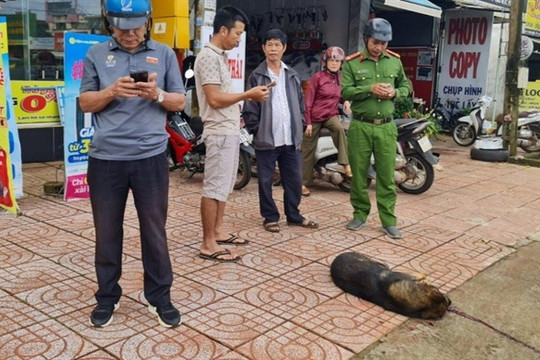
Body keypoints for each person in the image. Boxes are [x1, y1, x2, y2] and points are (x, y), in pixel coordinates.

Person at [80, 0, 185, 328]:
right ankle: (107, 296)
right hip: (106, 159)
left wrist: (156, 95)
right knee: (106, 232)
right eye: (123, 27)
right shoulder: (96, 54)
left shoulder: (165, 53)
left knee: (154, 230)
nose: (130, 33)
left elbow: (180, 100)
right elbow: (85, 101)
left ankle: (160, 296)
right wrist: (111, 91)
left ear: (148, 21)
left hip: (150, 158)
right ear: (110, 22)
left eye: (137, 25)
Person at [194, 6, 270, 262]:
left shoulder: (221, 56)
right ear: (223, 30)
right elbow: (214, 99)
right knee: (214, 187)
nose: (239, 39)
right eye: (237, 34)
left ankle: (217, 231)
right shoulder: (207, 57)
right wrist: (248, 95)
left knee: (224, 186)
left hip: (228, 131)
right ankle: (207, 244)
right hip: (217, 133)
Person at [341, 17, 411, 239]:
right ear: (366, 39)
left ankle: (388, 221)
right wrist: (370, 88)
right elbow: (346, 92)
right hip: (361, 126)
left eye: (384, 43)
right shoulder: (352, 63)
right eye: (375, 42)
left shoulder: (394, 62)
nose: (379, 47)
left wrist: (395, 93)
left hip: (386, 128)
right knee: (359, 174)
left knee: (386, 176)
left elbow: (406, 85)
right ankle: (360, 215)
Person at [243, 28, 318, 233]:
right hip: (267, 138)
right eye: (269, 45)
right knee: (265, 181)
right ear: (263, 48)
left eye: (277, 45)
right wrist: (257, 130)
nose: (273, 49)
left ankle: (293, 215)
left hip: (290, 138)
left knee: (294, 180)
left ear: (284, 48)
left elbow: (301, 105)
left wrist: (300, 126)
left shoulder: (292, 75)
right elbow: (249, 107)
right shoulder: (257, 76)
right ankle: (270, 217)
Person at [301, 46, 352, 197]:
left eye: (337, 61)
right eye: (332, 60)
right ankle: (303, 183)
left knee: (339, 129)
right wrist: (308, 122)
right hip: (315, 116)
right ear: (326, 61)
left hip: (331, 114)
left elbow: (344, 93)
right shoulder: (318, 77)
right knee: (308, 148)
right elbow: (308, 101)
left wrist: (347, 101)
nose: (334, 63)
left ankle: (345, 163)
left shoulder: (340, 78)